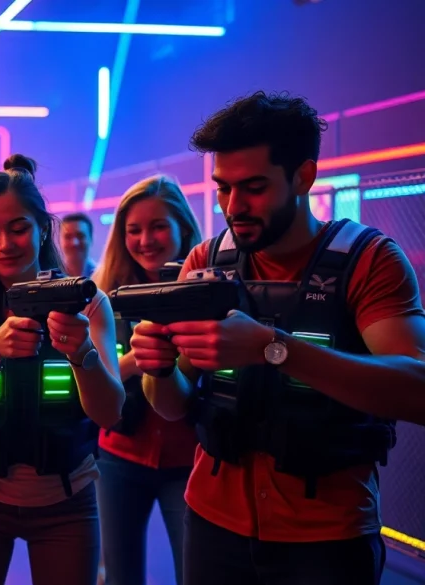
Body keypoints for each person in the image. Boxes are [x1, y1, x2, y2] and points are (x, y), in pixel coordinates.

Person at [130, 91, 425, 585]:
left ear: (303, 177)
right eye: (223, 188)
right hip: (210, 523)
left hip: (327, 536)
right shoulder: (205, 261)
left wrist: (275, 348)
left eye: (253, 188)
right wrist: (158, 367)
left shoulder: (369, 260)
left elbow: (418, 389)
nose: (232, 206)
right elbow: (173, 406)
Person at [0, 154, 125, 585]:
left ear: (42, 228)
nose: (4, 244)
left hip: (67, 501)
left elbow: (110, 412)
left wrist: (82, 355)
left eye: (17, 228)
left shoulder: (88, 302)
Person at [91, 176, 203, 585]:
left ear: (183, 229)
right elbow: (86, 381)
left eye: (157, 226)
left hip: (189, 459)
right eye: (133, 230)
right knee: (120, 576)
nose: (145, 239)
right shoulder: (104, 295)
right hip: (117, 456)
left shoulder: (209, 290)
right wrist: (137, 361)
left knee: (192, 572)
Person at [60, 212, 97, 278]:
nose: (74, 243)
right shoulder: (53, 278)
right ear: (60, 240)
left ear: (91, 238)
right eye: (68, 237)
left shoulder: (104, 277)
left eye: (80, 236)